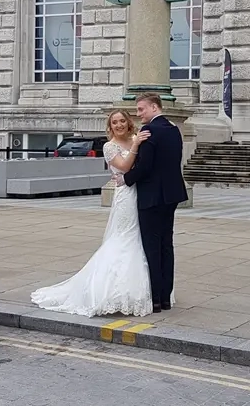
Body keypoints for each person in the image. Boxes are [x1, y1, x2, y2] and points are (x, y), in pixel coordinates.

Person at [30, 109, 155, 317]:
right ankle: (111, 291)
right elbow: (123, 167)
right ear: (110, 126)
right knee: (124, 238)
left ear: (128, 122)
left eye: (122, 121)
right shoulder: (109, 146)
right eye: (114, 122)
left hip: (142, 193)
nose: (119, 125)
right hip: (125, 196)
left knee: (139, 238)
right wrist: (135, 145)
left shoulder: (136, 138)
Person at [116, 92, 188, 313]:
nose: (138, 115)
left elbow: (145, 167)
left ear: (154, 108)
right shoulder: (174, 130)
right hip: (172, 195)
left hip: (151, 197)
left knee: (152, 247)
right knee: (167, 245)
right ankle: (166, 297)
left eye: (141, 109)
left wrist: (125, 179)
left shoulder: (149, 131)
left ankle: (155, 299)